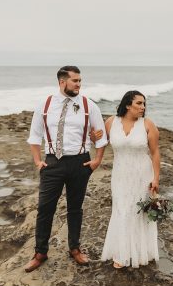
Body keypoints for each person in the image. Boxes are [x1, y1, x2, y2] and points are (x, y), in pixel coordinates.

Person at [23, 65, 109, 273]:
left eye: (80, 81)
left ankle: (75, 248)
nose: (79, 84)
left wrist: (97, 160)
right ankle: (40, 252)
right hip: (52, 163)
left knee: (75, 208)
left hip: (80, 163)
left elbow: (101, 136)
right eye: (75, 81)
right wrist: (38, 161)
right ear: (62, 82)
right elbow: (35, 136)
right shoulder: (45, 105)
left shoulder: (89, 105)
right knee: (45, 209)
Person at [99, 90, 161, 269]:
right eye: (139, 103)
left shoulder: (148, 124)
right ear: (127, 105)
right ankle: (122, 252)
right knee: (121, 209)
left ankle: (140, 251)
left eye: (144, 104)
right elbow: (100, 142)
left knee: (138, 211)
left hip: (142, 174)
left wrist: (156, 178)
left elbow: (155, 152)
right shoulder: (111, 122)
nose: (143, 107)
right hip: (120, 174)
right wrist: (93, 141)